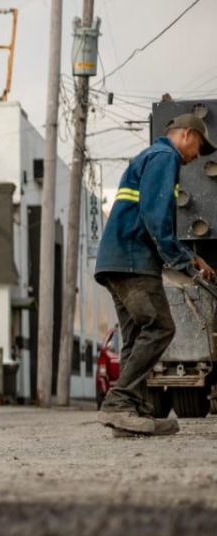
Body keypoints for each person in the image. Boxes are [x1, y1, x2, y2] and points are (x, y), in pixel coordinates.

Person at [93, 113, 216, 437]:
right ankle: (119, 403)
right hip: (134, 261)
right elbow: (155, 216)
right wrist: (184, 263)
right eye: (198, 148)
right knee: (161, 327)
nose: (194, 158)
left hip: (114, 260)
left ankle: (129, 412)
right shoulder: (165, 157)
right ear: (188, 135)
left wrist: (191, 256)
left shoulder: (147, 157)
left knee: (135, 336)